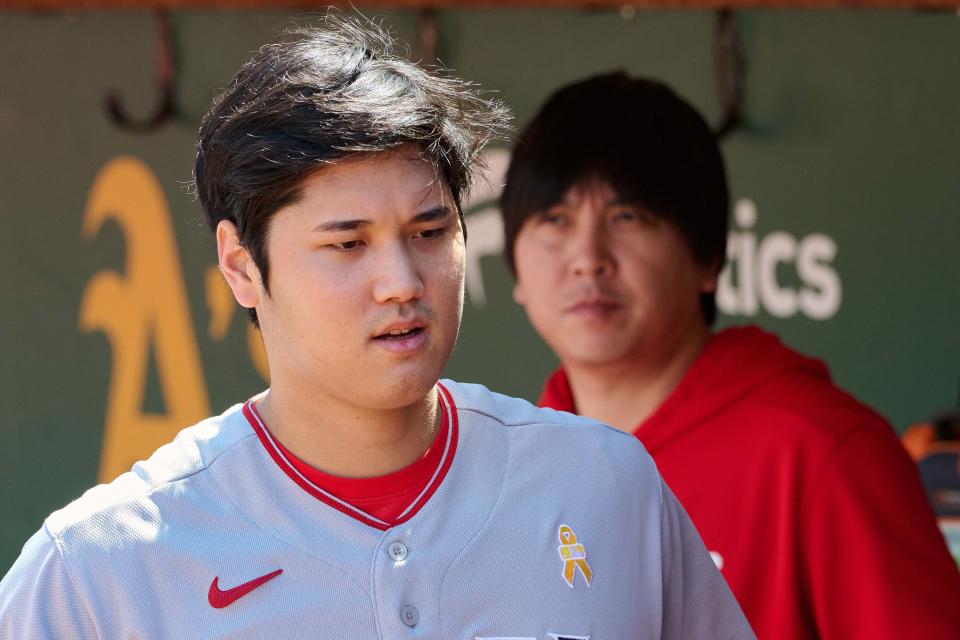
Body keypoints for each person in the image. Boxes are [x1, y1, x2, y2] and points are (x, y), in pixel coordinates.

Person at [0, 18, 753, 639]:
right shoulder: (98, 571)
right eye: (347, 243)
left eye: (430, 231)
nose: (401, 282)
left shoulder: (603, 485)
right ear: (240, 265)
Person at [500, 71, 960, 640]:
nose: (587, 258)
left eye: (628, 218)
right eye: (555, 221)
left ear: (710, 258)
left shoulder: (822, 452)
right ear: (515, 267)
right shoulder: (509, 465)